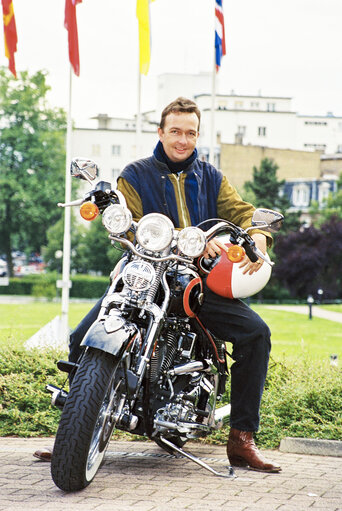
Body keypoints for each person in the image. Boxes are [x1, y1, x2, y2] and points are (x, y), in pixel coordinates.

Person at [34, 97, 281, 473]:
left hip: (194, 279)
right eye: (176, 131)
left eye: (191, 133)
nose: (183, 139)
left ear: (197, 135)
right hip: (144, 271)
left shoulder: (211, 177)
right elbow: (126, 217)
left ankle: (241, 439)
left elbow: (243, 212)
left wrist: (258, 234)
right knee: (81, 336)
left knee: (256, 333)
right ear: (161, 132)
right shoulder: (135, 174)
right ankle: (72, 433)